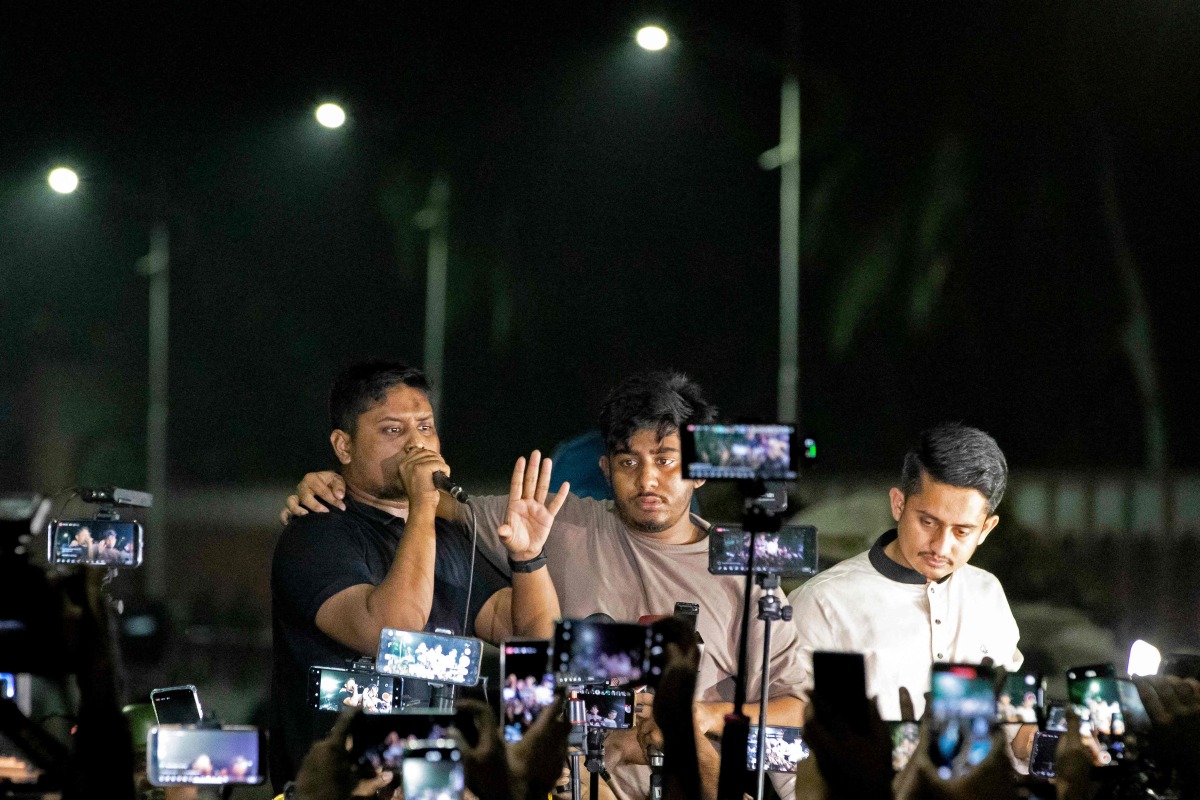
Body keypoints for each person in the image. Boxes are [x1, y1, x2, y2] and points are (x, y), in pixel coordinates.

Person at [285, 370, 807, 800]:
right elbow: (414, 498)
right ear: (606, 468)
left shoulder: (744, 562)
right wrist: (331, 480)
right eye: (630, 462)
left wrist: (698, 716)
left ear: (698, 472)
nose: (648, 480)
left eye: (667, 461)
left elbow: (797, 708)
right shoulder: (560, 522)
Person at [270, 359, 566, 791]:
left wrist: (527, 557)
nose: (416, 446)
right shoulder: (318, 534)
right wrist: (424, 504)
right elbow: (391, 627)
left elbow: (532, 636)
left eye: (425, 427)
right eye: (393, 431)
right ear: (344, 446)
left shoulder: (444, 537)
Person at [788, 422, 1022, 720]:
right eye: (928, 522)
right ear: (898, 504)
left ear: (986, 529)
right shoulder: (824, 602)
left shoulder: (987, 593)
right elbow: (791, 720)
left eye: (962, 532)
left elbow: (1012, 716)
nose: (941, 546)